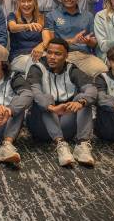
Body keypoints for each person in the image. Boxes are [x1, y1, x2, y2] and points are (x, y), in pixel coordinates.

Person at [26, 38, 98, 167]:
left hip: (66, 123)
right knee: (45, 98)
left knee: (83, 98)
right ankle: (60, 144)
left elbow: (92, 89)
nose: (52, 57)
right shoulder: (37, 68)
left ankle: (82, 145)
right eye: (49, 52)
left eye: (57, 54)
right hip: (41, 125)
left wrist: (81, 102)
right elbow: (34, 92)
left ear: (66, 56)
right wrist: (51, 108)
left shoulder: (72, 70)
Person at [46, 0, 107, 78]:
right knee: (68, 76)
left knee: (103, 71)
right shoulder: (52, 15)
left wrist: (88, 41)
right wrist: (73, 40)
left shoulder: (88, 16)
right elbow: (50, 43)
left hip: (84, 56)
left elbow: (94, 43)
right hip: (62, 57)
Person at [8, 0, 51, 73]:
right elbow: (12, 28)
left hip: (40, 54)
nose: (26, 4)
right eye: (23, 1)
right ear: (18, 3)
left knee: (52, 62)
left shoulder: (42, 18)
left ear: (34, 2)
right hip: (19, 57)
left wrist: (41, 46)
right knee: (35, 65)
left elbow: (47, 39)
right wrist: (28, 26)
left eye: (29, 0)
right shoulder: (13, 16)